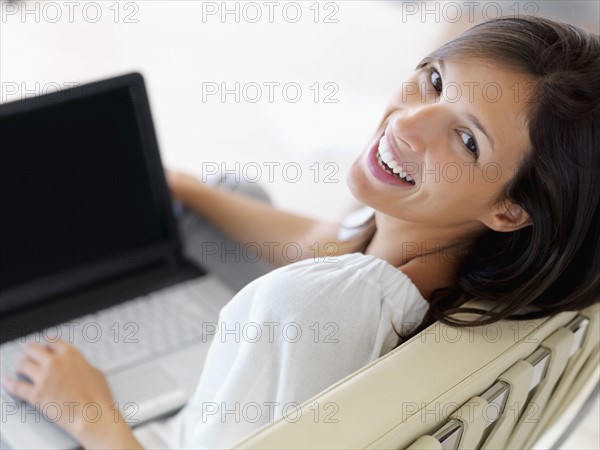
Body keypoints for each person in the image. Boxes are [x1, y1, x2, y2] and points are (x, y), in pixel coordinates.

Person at [1, 16, 598, 449]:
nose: (408, 124)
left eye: (467, 140)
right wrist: (185, 185)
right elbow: (327, 241)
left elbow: (320, 284)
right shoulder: (463, 263)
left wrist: (90, 413)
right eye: (435, 81)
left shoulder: (307, 308)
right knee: (234, 193)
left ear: (511, 209)